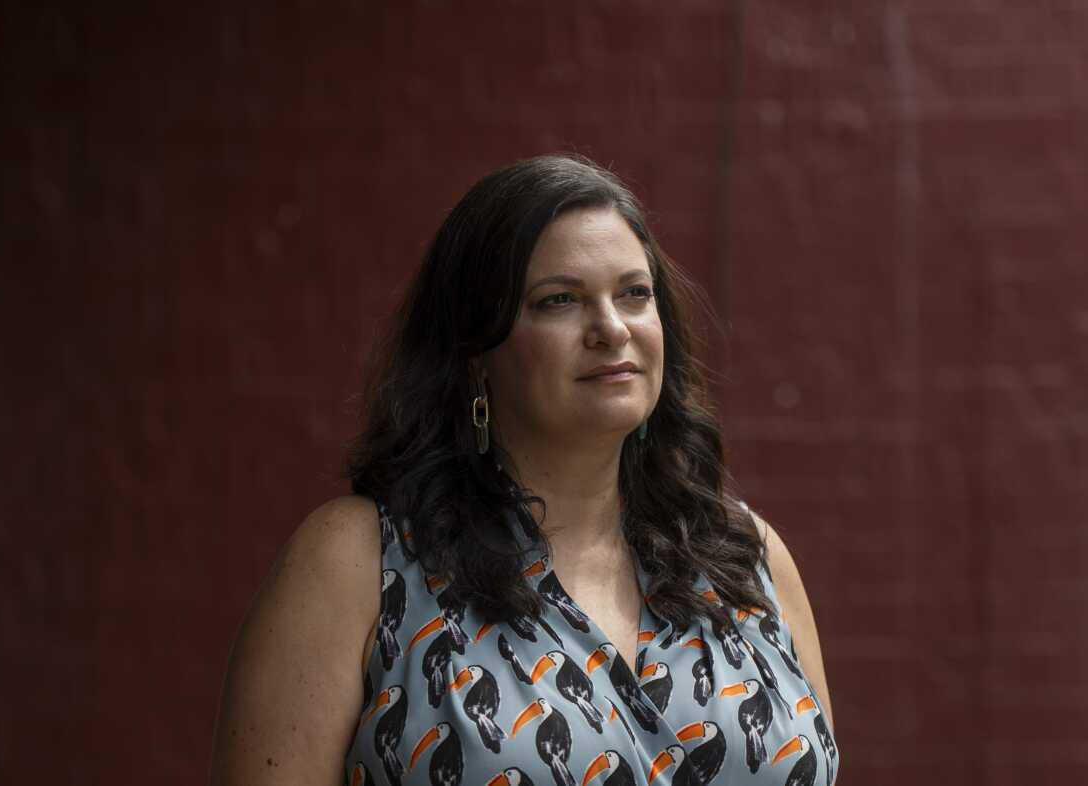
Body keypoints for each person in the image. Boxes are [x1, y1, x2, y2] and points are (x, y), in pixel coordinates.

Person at [209, 155, 839, 786]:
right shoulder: (362, 562)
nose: (611, 328)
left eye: (634, 294)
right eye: (558, 300)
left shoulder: (744, 558)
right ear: (475, 353)